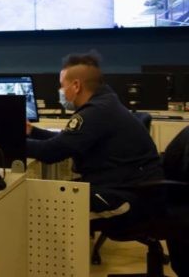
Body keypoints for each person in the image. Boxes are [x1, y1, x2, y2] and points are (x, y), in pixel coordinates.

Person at [26, 51, 163, 223]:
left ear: (76, 85)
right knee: (49, 201)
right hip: (127, 185)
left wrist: (7, 141)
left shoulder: (95, 112)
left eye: (62, 86)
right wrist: (32, 131)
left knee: (48, 215)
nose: (61, 91)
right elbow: (66, 140)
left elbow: (51, 152)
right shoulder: (105, 102)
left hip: (127, 196)